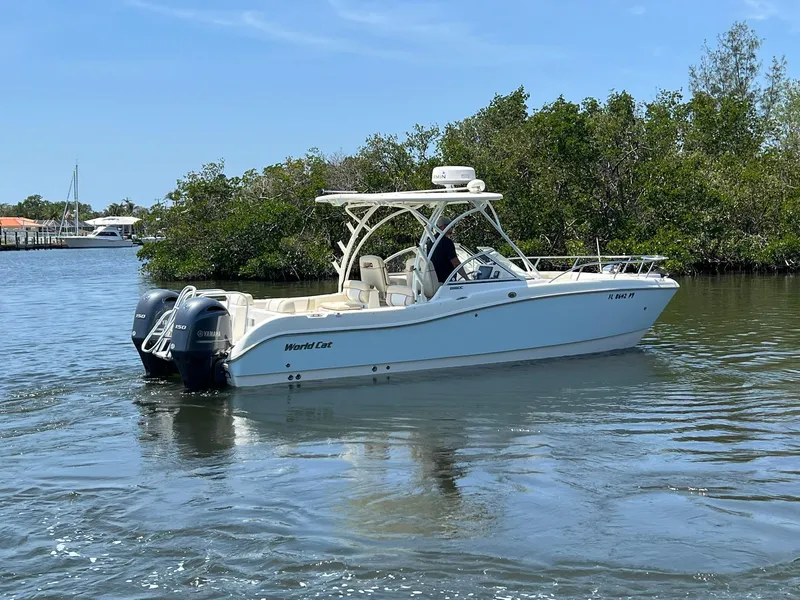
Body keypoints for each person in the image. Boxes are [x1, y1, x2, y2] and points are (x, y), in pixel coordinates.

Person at [427, 216, 468, 283]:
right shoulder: (447, 242)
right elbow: (456, 263)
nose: (452, 228)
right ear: (443, 227)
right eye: (451, 226)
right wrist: (467, 278)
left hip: (436, 279)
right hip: (447, 280)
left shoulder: (431, 241)